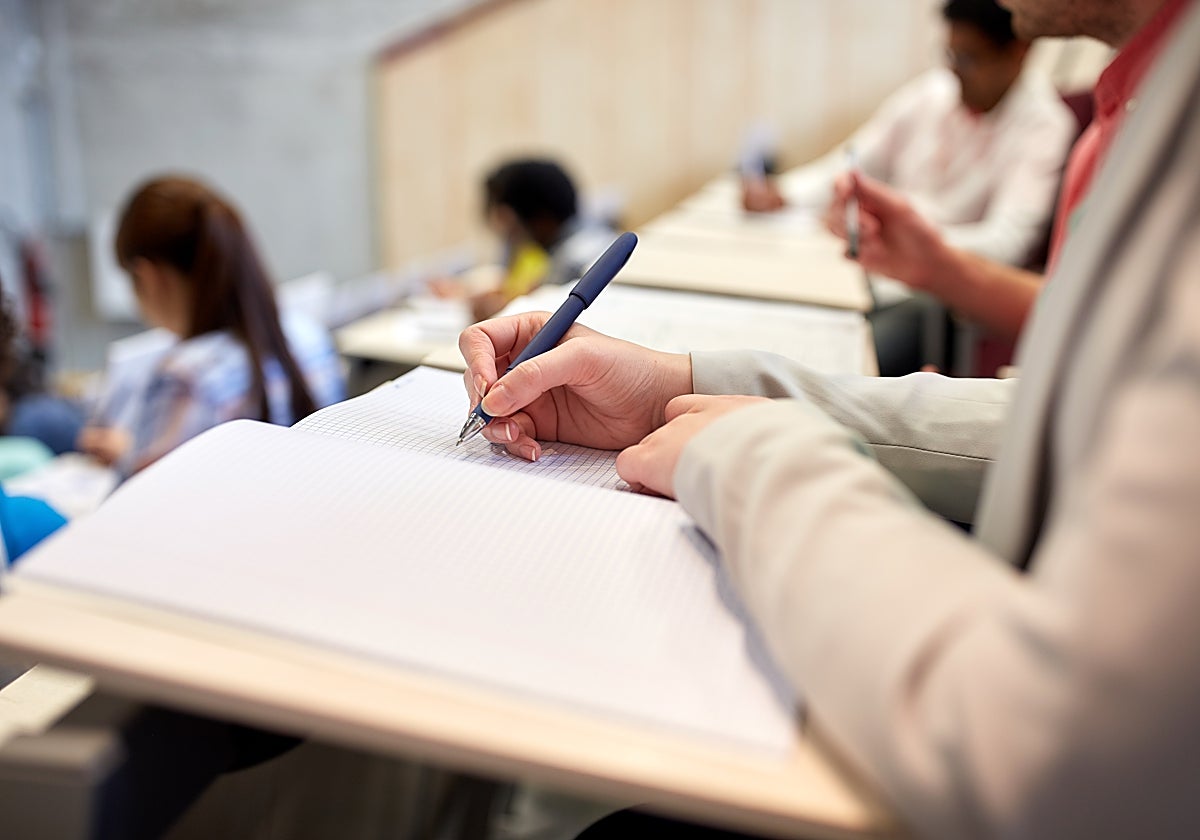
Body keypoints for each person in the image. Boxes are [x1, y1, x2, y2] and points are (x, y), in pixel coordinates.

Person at [457, 0, 1200, 836]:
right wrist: (675, 385)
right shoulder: (1150, 99)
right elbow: (1063, 419)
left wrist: (754, 458)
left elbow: (1072, 755)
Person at [76, 176, 345, 478]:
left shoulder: (187, 376)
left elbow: (148, 502)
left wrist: (133, 458)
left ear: (148, 276)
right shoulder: (308, 335)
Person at [440, 159, 618, 322]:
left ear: (542, 220)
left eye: (510, 221)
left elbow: (549, 321)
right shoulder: (583, 240)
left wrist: (500, 312)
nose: (508, 231)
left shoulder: (573, 261)